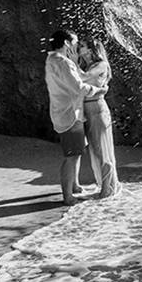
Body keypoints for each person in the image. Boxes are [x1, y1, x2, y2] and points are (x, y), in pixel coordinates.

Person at [45, 30, 107, 205]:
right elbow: (79, 87)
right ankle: (68, 197)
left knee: (77, 152)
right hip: (70, 114)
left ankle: (75, 186)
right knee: (71, 155)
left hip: (66, 112)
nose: (77, 46)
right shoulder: (63, 63)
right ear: (66, 43)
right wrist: (99, 91)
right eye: (75, 42)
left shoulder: (52, 59)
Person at [77, 38, 120, 198]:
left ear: (90, 49)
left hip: (97, 109)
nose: (78, 49)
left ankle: (108, 189)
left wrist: (72, 63)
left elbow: (82, 78)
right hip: (87, 110)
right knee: (94, 150)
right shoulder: (86, 66)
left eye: (81, 46)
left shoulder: (101, 65)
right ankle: (105, 185)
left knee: (102, 150)